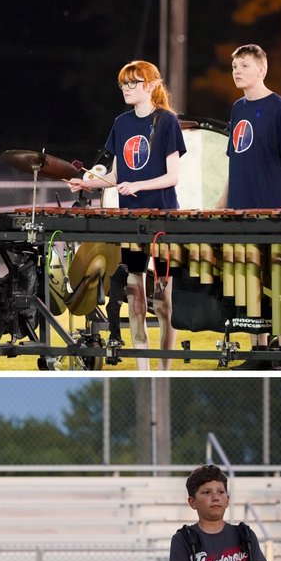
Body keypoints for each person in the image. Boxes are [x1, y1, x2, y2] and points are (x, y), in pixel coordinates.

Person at [67, 61, 186, 371]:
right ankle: (143, 367)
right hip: (130, 221)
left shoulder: (167, 122)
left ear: (150, 85)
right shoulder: (121, 123)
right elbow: (116, 172)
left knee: (164, 302)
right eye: (123, 84)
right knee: (135, 294)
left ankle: (164, 369)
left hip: (162, 221)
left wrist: (139, 184)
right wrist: (88, 181)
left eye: (133, 83)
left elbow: (172, 176)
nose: (126, 89)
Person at [217, 44, 281, 368]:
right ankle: (258, 352)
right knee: (250, 284)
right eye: (234, 67)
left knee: (276, 285)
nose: (237, 71)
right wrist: (220, 206)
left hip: (274, 213)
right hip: (241, 212)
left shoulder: (280, 110)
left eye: (243, 65)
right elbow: (235, 165)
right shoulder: (237, 109)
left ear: (261, 70)